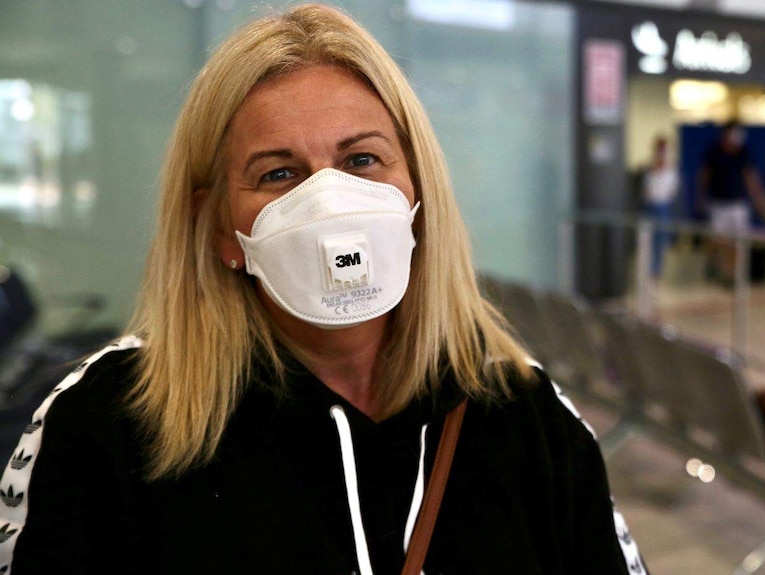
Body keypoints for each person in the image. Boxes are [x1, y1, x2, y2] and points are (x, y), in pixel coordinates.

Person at [0, 5, 646, 574]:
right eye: (278, 173)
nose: (329, 201)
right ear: (219, 228)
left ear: (417, 191)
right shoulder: (104, 423)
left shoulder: (525, 414)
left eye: (362, 159)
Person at [697, 120, 765, 282]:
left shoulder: (742, 153)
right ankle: (724, 272)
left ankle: (736, 274)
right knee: (720, 241)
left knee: (738, 243)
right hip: (718, 205)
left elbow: (751, 178)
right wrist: (701, 198)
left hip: (737, 205)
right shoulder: (714, 152)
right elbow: (704, 176)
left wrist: (760, 200)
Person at [641, 135, 679, 279]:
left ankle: (657, 270)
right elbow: (646, 189)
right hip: (650, 206)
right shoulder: (648, 169)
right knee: (647, 240)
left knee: (660, 241)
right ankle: (648, 270)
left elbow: (672, 191)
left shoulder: (671, 171)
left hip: (663, 207)